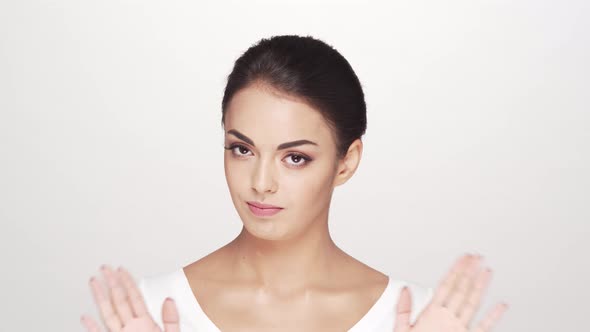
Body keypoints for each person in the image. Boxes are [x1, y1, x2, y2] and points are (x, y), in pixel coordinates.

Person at [80, 35, 508, 332]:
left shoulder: (416, 314)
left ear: (347, 161)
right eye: (242, 150)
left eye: (295, 158)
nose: (261, 183)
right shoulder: (149, 308)